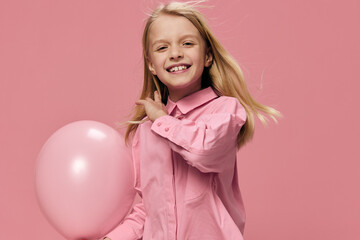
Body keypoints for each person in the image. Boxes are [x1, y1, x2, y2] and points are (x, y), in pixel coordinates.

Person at [103, 1, 281, 239]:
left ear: (207, 56)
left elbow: (202, 150)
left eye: (187, 43)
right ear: (150, 64)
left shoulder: (225, 111)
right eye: (162, 47)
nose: (176, 53)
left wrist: (162, 121)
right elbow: (149, 210)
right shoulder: (146, 130)